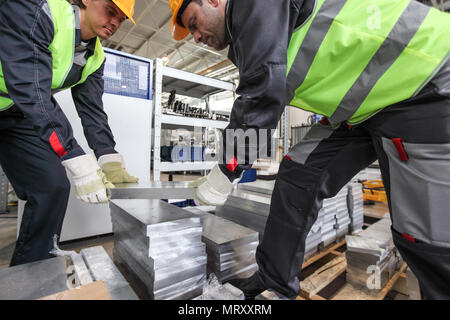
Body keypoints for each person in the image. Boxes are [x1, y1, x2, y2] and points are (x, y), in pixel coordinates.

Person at [169, 0, 450, 299]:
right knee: (298, 174)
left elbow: (262, 91)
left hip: (421, 80)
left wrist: (226, 168)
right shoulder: (252, 34)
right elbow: (266, 87)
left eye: (194, 23)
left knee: (424, 238)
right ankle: (275, 279)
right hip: (364, 107)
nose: (195, 37)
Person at [0, 0, 138, 266]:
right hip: (25, 100)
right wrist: (75, 157)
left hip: (19, 113)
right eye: (111, 11)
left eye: (121, 19)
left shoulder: (95, 56)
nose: (114, 23)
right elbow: (31, 88)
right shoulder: (38, 10)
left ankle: (32, 274)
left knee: (51, 187)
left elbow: (93, 111)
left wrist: (107, 156)